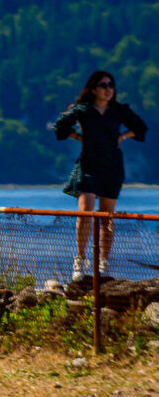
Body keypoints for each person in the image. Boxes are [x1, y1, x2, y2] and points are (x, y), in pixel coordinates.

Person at [54, 70, 145, 279]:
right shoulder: (83, 110)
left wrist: (123, 135)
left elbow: (140, 128)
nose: (108, 89)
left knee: (107, 217)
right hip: (89, 165)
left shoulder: (119, 110)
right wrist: (78, 137)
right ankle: (80, 260)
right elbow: (60, 126)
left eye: (111, 85)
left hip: (112, 166)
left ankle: (104, 264)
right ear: (94, 88)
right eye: (103, 85)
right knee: (85, 211)